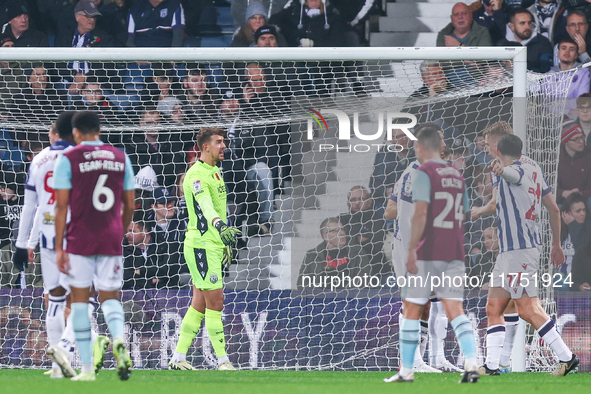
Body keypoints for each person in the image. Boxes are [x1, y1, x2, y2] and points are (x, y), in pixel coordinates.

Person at [476, 133, 579, 376]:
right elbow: (553, 208)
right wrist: (556, 243)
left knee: (526, 308)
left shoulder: (515, 170)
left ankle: (567, 357)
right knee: (494, 306)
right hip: (509, 252)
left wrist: (502, 171)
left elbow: (513, 175)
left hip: (520, 250)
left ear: (499, 150)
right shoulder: (533, 166)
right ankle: (492, 365)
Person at [384, 124, 480, 383]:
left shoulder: (419, 172)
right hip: (452, 248)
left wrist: (412, 248)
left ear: (419, 147)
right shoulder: (456, 175)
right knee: (451, 307)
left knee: (414, 306)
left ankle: (411, 365)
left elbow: (417, 213)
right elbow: (465, 214)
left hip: (422, 249)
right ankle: (468, 362)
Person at [53, 110, 135, 381]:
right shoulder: (121, 157)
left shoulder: (68, 158)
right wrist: (119, 232)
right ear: (100, 130)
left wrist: (60, 246)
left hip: (80, 239)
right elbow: (131, 204)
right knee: (110, 298)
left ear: (76, 133)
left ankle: (87, 369)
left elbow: (62, 205)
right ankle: (119, 340)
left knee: (79, 301)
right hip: (110, 237)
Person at [167, 127, 240, 371]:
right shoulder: (196, 175)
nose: (223, 146)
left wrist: (222, 239)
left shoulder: (216, 171)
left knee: (199, 302)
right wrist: (220, 226)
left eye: (224, 141)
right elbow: (206, 207)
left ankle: (178, 358)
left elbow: (218, 208)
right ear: (205, 147)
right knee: (215, 300)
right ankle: (222, 361)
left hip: (213, 243)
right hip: (201, 244)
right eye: (218, 142)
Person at [298, 217, 372, 288]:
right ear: (325, 236)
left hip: (349, 298)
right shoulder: (312, 255)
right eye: (336, 231)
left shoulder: (357, 251)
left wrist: (343, 295)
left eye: (342, 229)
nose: (342, 233)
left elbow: (363, 278)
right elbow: (302, 283)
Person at [338, 186, 389, 278]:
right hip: (347, 269)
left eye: (361, 199)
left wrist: (349, 239)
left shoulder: (377, 219)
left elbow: (376, 247)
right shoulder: (341, 220)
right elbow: (336, 245)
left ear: (369, 202)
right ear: (348, 204)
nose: (357, 203)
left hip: (375, 269)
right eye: (353, 200)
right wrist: (359, 239)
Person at [497, 8, 553, 73]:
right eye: (522, 23)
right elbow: (495, 69)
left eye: (529, 23)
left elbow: (546, 69)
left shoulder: (543, 42)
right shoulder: (502, 44)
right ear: (512, 26)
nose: (527, 27)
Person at [557, 120, 591, 206]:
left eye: (582, 137)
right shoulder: (555, 159)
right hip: (562, 201)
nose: (581, 141)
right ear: (565, 142)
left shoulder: (588, 156)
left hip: (584, 200)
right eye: (576, 139)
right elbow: (548, 187)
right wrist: (563, 193)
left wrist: (580, 193)